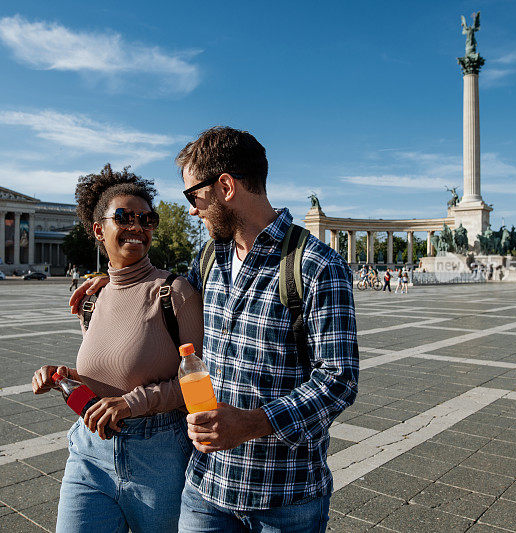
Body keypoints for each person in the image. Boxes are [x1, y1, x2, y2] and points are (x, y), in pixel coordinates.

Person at [72, 127, 358, 532]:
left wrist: (255, 422)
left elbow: (339, 379)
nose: (191, 210)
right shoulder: (210, 258)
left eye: (193, 196)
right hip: (206, 489)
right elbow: (156, 287)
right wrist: (113, 278)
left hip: (283, 496)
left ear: (224, 186)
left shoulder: (315, 265)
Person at [34, 165, 203, 533]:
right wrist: (65, 377)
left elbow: (202, 384)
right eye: (124, 216)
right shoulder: (91, 300)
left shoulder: (174, 293)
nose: (137, 226)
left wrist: (134, 402)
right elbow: (112, 370)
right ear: (99, 229)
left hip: (158, 456)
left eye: (147, 218)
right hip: (89, 451)